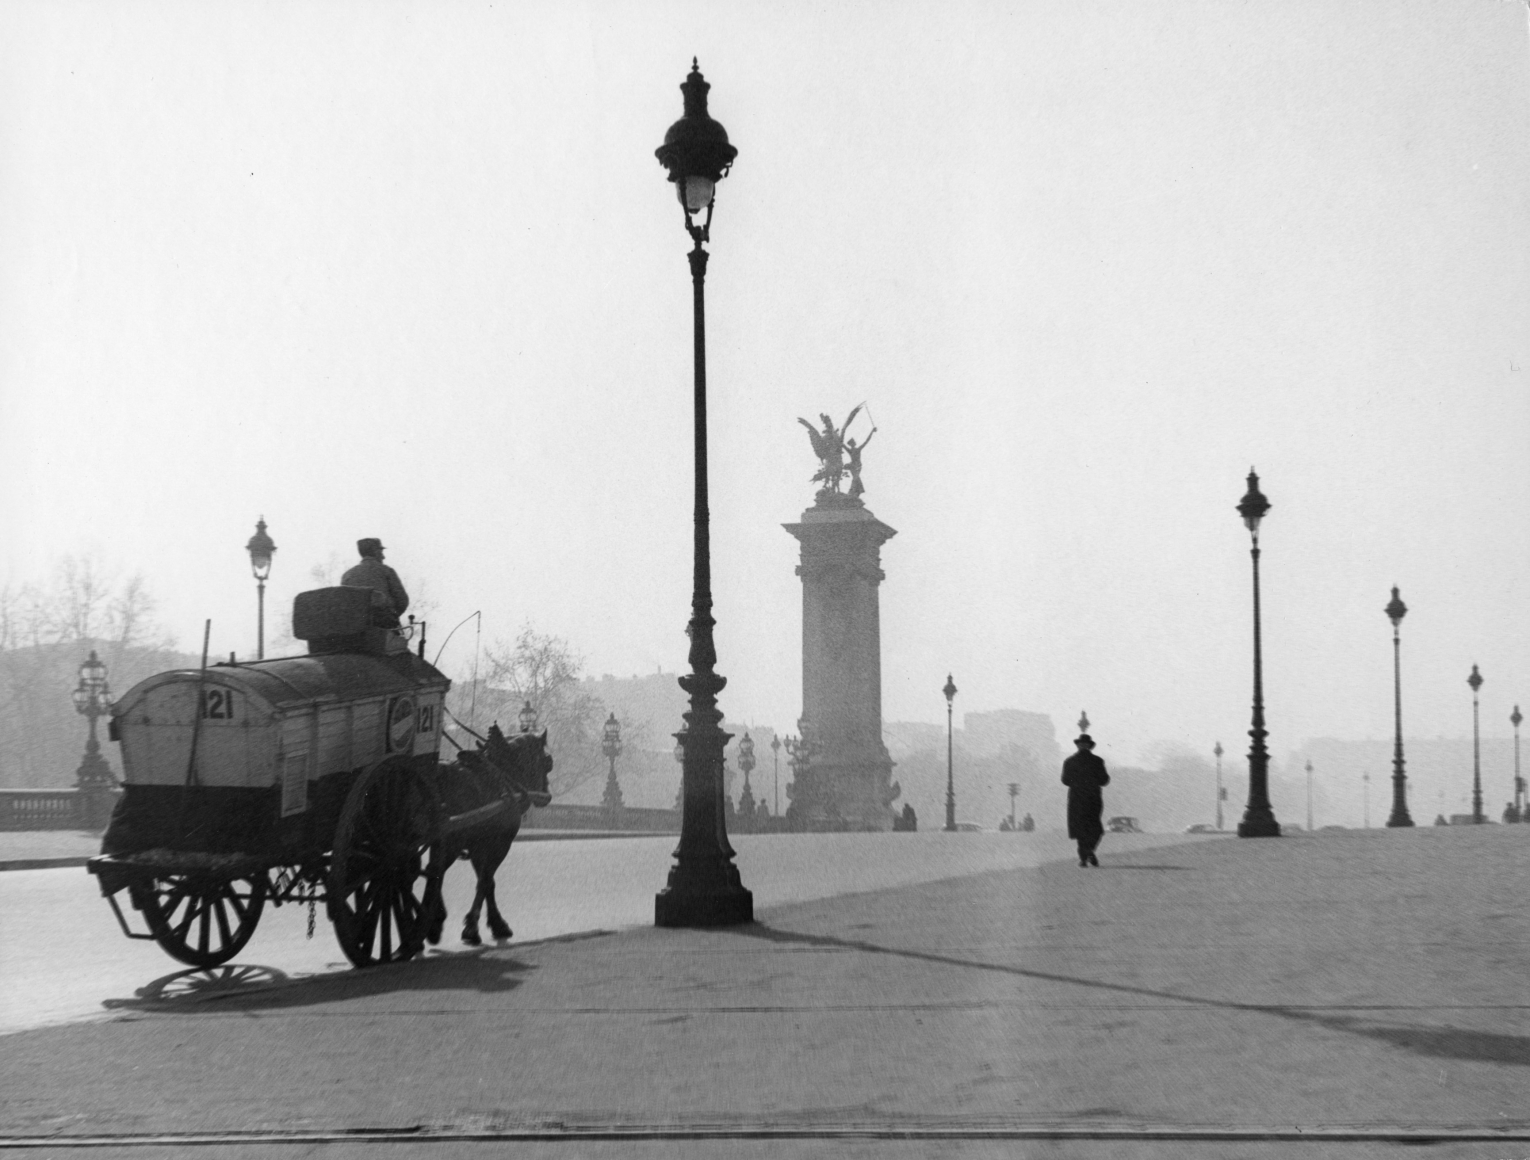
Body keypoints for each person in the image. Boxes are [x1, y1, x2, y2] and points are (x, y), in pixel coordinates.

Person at [1061, 733, 1110, 866]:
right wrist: (1091, 781)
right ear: (1090, 746)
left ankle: (1085, 856)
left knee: (1080, 828)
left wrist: (1077, 782)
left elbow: (1065, 780)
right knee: (1095, 828)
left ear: (1078, 745)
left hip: (1076, 798)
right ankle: (1089, 852)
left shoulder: (1070, 761)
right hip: (1093, 797)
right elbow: (1104, 780)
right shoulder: (1097, 761)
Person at [340, 538, 409, 628]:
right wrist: (392, 617)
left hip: (353, 627)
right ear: (376, 552)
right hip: (383, 625)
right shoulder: (386, 571)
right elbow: (402, 601)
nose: (383, 557)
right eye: (381, 552)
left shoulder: (346, 575)